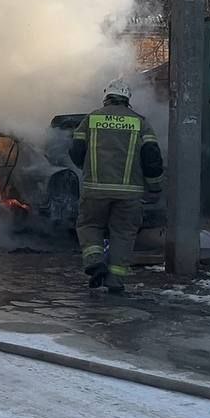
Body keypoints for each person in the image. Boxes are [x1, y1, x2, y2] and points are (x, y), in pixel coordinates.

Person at [68, 78, 164, 295]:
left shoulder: (91, 119)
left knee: (90, 226)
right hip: (129, 193)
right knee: (123, 233)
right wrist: (155, 187)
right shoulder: (140, 122)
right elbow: (152, 158)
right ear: (127, 99)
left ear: (106, 96)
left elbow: (76, 151)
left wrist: (87, 170)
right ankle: (115, 281)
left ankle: (94, 261)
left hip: (95, 189)